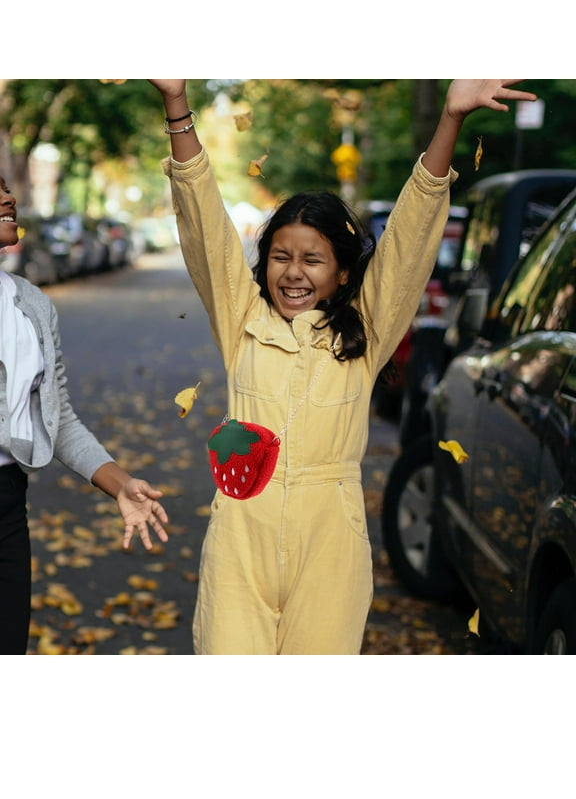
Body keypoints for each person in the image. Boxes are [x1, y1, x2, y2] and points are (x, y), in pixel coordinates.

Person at [149, 79, 537, 655]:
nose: (293, 272)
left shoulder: (368, 330)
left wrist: (450, 117)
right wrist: (176, 103)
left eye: (313, 259)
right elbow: (206, 226)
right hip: (239, 538)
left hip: (331, 542)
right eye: (280, 256)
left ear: (344, 273)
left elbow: (409, 239)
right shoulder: (242, 319)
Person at [0, 175, 169, 654]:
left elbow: (59, 419)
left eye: (8, 187)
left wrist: (121, 484)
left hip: (8, 506)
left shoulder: (31, 305)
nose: (9, 197)